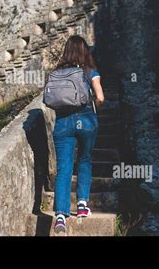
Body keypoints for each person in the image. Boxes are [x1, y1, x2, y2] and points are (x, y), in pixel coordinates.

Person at [52, 35, 105, 234]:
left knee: (63, 168)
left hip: (63, 122)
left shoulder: (58, 72)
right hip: (86, 120)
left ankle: (60, 215)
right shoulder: (90, 71)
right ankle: (82, 205)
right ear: (84, 51)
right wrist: (95, 109)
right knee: (84, 160)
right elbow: (100, 97)